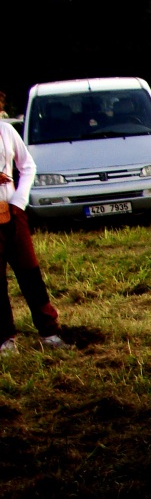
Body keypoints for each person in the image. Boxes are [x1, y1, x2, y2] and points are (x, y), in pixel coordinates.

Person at [0, 119, 66, 353]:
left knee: (30, 273)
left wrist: (19, 201)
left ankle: (49, 331)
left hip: (12, 211)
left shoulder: (6, 130)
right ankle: (5, 338)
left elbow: (27, 166)